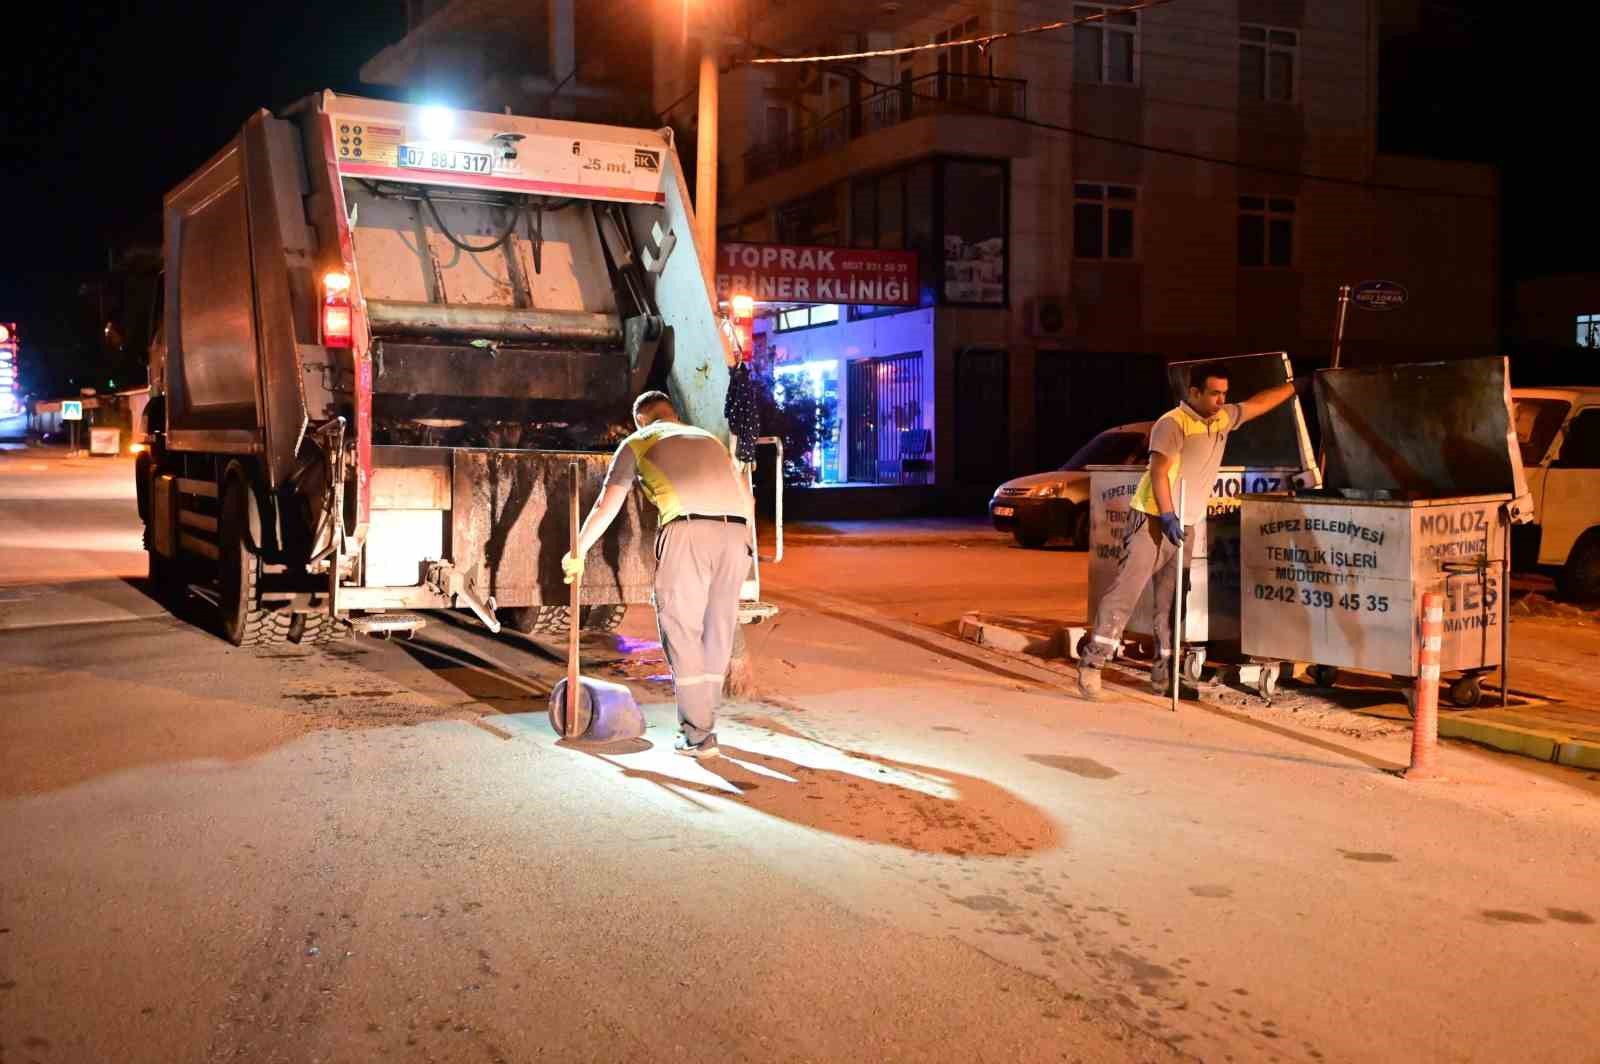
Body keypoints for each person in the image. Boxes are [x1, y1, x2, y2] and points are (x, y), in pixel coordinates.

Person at [1077, 362, 1297, 700]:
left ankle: (1164, 676)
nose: (1221, 400)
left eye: (1224, 393)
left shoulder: (1223, 418)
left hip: (1187, 523)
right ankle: (1092, 666)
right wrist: (1167, 515)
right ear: (1193, 392)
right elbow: (1159, 472)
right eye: (1214, 393)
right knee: (1126, 593)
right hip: (1153, 519)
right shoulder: (1172, 423)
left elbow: (1257, 404)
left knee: (1171, 606)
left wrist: (1296, 386)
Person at [563, 390, 751, 757]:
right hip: (737, 535)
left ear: (641, 420)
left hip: (688, 532)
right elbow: (748, 499)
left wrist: (578, 550)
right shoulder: (709, 439)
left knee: (680, 629)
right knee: (718, 629)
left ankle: (698, 735)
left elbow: (606, 504)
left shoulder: (638, 441)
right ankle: (704, 723)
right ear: (674, 414)